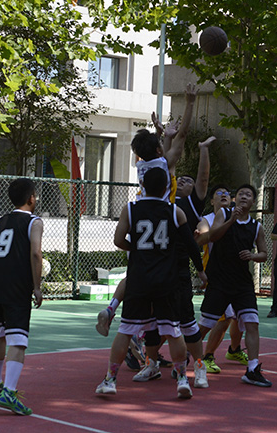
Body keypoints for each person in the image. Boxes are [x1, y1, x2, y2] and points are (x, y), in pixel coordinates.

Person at [96, 85, 196, 337]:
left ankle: (111, 308)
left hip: (140, 219)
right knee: (163, 285)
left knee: (135, 274)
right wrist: (190, 103)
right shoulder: (164, 164)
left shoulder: (143, 165)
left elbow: (162, 149)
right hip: (162, 222)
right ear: (159, 150)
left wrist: (162, 134)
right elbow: (183, 136)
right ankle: (151, 335)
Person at [95, 167, 199, 399]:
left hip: (139, 278)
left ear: (142, 186)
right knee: (173, 331)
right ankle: (183, 379)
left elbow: (118, 240)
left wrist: (138, 249)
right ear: (166, 188)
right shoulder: (175, 211)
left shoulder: (131, 209)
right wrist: (201, 271)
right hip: (166, 279)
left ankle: (110, 380)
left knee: (125, 330)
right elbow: (191, 245)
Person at [132, 136, 215, 388]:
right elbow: (166, 162)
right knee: (153, 323)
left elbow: (190, 243)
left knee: (186, 320)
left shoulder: (187, 204)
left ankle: (198, 368)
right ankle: (151, 364)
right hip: (153, 269)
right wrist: (166, 136)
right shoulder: (149, 204)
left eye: (189, 181)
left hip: (176, 269)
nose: (185, 181)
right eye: (181, 179)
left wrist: (199, 269)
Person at [0, 178, 44, 416]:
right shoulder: (34, 222)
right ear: (31, 198)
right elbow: (35, 253)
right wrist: (37, 286)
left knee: (0, 334)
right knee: (18, 341)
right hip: (16, 287)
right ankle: (9, 392)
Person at [197, 184, 272, 387]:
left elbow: (264, 254)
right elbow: (212, 236)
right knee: (205, 325)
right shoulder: (223, 214)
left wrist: (253, 256)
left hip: (242, 284)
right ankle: (186, 358)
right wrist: (231, 221)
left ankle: (252, 369)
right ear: (235, 199)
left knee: (252, 323)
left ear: (253, 201)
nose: (244, 197)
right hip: (219, 281)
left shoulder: (256, 226)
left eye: (248, 195)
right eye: (240, 194)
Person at [196, 184, 246, 374]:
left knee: (239, 315)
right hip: (215, 274)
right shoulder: (206, 220)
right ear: (212, 201)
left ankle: (234, 349)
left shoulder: (238, 217)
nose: (224, 195)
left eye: (227, 193)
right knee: (222, 318)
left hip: (233, 274)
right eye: (219, 193)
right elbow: (201, 238)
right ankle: (204, 355)